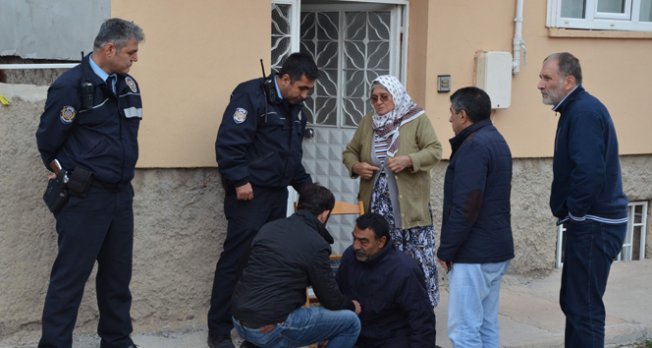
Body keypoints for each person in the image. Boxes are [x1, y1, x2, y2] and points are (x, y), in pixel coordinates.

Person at [35, 18, 144, 348]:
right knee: (69, 279)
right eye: (131, 52)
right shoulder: (71, 86)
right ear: (109, 49)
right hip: (85, 199)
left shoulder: (127, 85)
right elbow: (48, 142)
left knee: (117, 279)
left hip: (120, 197)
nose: (135, 58)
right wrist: (68, 176)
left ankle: (117, 340)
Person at [209, 52, 318, 348]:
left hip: (276, 195)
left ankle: (257, 330)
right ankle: (219, 331)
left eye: (309, 90)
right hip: (249, 195)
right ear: (284, 79)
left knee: (268, 265)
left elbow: (292, 157)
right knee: (236, 261)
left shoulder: (295, 108)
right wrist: (239, 180)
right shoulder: (251, 97)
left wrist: (309, 191)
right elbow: (229, 143)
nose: (305, 95)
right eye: (302, 88)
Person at [537, 52, 628, 347]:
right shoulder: (575, 110)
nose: (540, 84)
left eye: (547, 77)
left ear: (569, 81)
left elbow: (589, 172)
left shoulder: (583, 112)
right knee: (575, 303)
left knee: (583, 308)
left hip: (594, 224)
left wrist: (575, 213)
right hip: (592, 222)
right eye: (541, 77)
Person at [342, 75, 442, 308]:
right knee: (380, 255)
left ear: (395, 96)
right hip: (377, 205)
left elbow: (435, 151)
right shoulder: (369, 122)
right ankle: (384, 306)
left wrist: (409, 160)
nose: (378, 102)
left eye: (384, 97)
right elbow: (349, 152)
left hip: (409, 208)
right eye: (374, 98)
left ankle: (420, 308)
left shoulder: (416, 119)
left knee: (415, 258)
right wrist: (356, 166)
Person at [231, 183, 361, 348]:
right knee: (350, 323)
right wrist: (351, 306)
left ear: (299, 206)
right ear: (325, 214)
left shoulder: (269, 228)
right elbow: (330, 300)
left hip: (238, 319)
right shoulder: (316, 244)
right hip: (269, 327)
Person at [437, 86, 514, 347]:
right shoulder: (496, 139)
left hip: (475, 254)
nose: (449, 119)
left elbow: (466, 205)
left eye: (451, 113)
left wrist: (446, 249)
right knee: (486, 325)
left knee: (464, 330)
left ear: (463, 114)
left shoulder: (474, 146)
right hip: (494, 250)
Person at [337, 212, 437, 347]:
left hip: (392, 339)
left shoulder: (404, 270)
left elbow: (422, 321)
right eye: (354, 239)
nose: (356, 246)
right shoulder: (350, 256)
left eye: (363, 241)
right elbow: (336, 295)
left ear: (381, 242)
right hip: (357, 335)